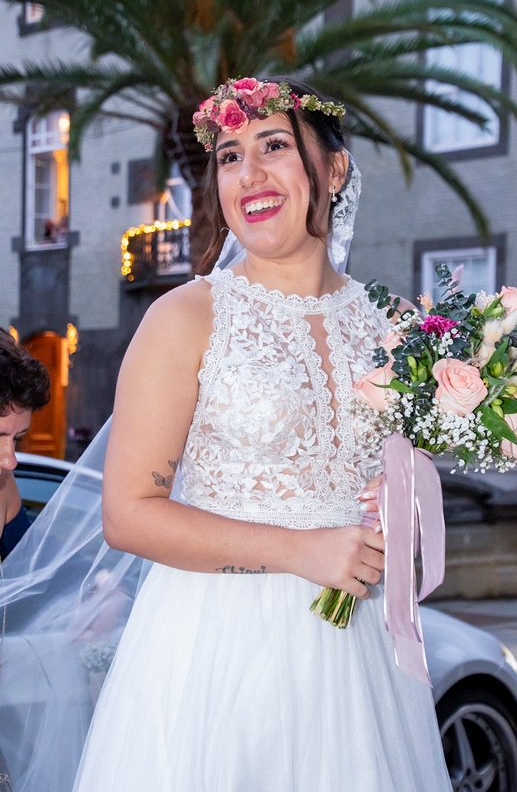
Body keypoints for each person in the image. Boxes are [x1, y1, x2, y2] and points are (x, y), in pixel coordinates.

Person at [70, 77, 451, 792]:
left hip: (358, 656)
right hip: (217, 652)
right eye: (229, 156)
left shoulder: (393, 324)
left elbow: (401, 497)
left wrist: (398, 518)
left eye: (274, 146)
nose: (249, 175)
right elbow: (127, 516)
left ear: (333, 170)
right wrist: (303, 550)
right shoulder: (186, 318)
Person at [0, 328, 50, 559]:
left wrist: (98, 580)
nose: (10, 461)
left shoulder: (3, 488)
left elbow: (35, 563)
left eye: (17, 439)